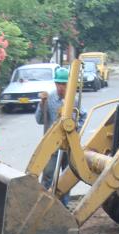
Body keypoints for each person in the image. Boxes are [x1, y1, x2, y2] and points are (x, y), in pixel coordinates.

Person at [35, 67, 86, 207]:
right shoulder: (49, 99)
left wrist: (76, 130)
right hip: (52, 145)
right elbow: (39, 120)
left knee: (65, 177)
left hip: (68, 145)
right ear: (55, 84)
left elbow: (83, 115)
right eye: (59, 84)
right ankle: (43, 204)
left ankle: (63, 206)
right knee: (48, 174)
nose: (61, 87)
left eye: (64, 84)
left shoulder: (74, 101)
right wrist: (41, 104)